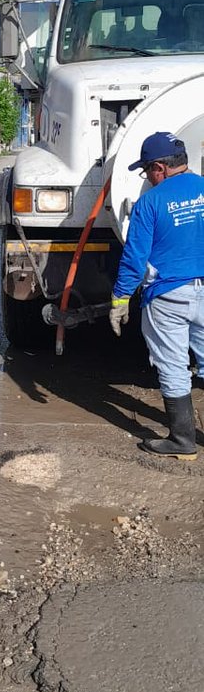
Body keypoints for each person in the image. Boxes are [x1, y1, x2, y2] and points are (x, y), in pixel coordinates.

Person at [110, 131, 204, 460]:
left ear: (160, 168)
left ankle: (183, 441)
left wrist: (120, 300)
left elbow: (135, 257)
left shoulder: (151, 202)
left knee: (173, 365)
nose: (147, 177)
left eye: (147, 170)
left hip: (169, 295)